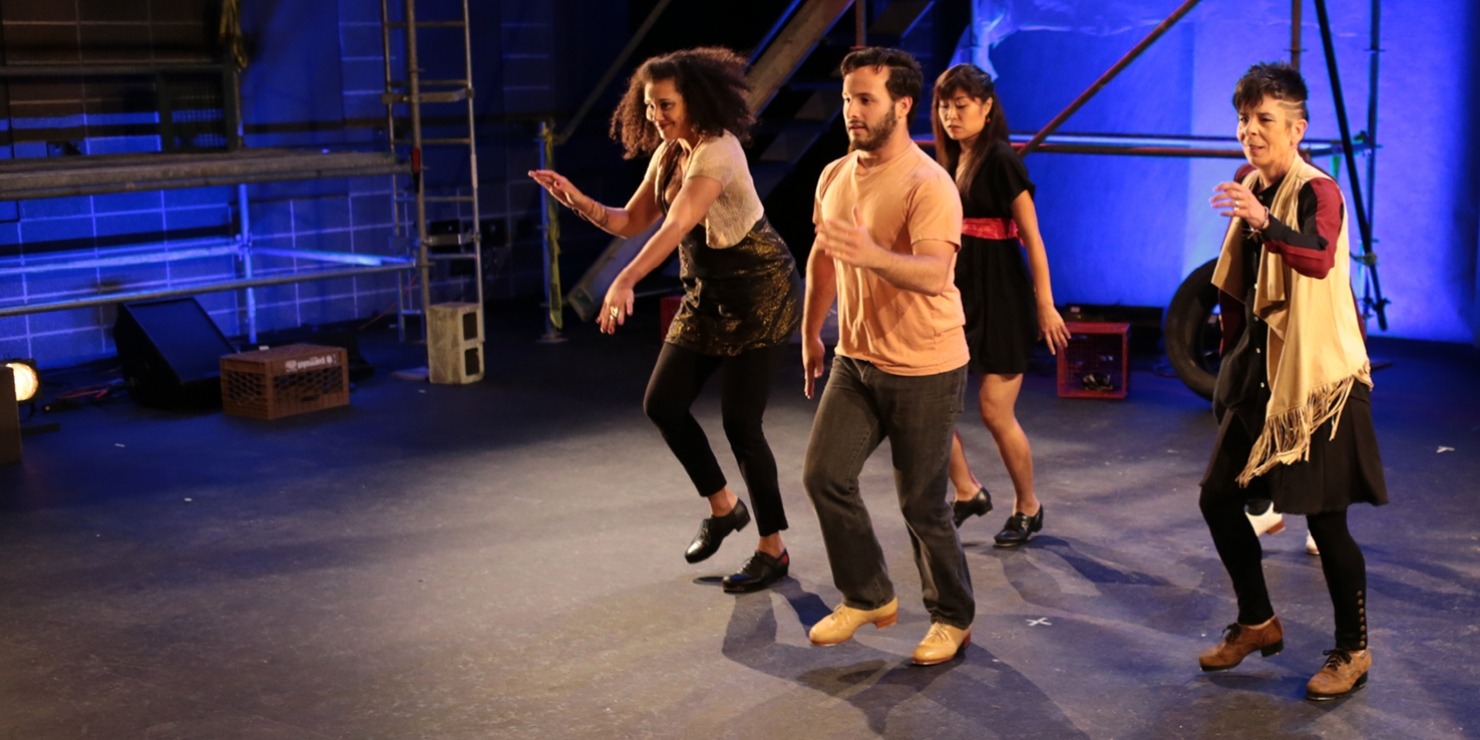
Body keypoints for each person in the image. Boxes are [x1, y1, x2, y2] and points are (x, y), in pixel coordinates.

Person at [528, 47, 803, 594]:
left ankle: (773, 549)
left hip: (758, 290)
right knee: (663, 403)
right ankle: (725, 508)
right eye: (650, 105)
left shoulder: (717, 153)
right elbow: (632, 221)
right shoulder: (671, 154)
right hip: (708, 291)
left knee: (741, 424)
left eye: (666, 104)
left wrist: (624, 281)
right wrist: (577, 199)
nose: (657, 114)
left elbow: (676, 225)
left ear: (695, 98)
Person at [1195, 62, 1387, 701]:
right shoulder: (1252, 182)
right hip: (1262, 372)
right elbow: (1240, 287)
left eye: (1265, 120)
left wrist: (1261, 219)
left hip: (1318, 379)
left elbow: (1318, 255)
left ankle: (1352, 651)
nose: (1251, 131)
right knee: (1218, 498)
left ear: (1297, 128)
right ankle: (1257, 622)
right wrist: (1229, 363)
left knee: (1326, 524)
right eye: (1244, 120)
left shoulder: (1317, 189)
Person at [800, 47, 974, 666]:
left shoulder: (929, 184)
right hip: (856, 358)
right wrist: (811, 331)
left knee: (921, 503)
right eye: (848, 98)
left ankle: (952, 615)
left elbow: (932, 274)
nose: (852, 111)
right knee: (824, 476)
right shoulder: (834, 175)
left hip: (927, 364)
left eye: (865, 99)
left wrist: (870, 254)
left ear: (901, 104)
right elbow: (824, 257)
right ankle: (868, 594)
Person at [928, 63, 1071, 546]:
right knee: (929, 407)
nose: (951, 115)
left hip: (1002, 295)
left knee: (993, 410)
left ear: (987, 108)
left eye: (962, 105)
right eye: (945, 106)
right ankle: (967, 491)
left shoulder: (1001, 159)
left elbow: (1032, 236)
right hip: (957, 292)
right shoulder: (947, 161)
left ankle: (1028, 506)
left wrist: (1045, 304)